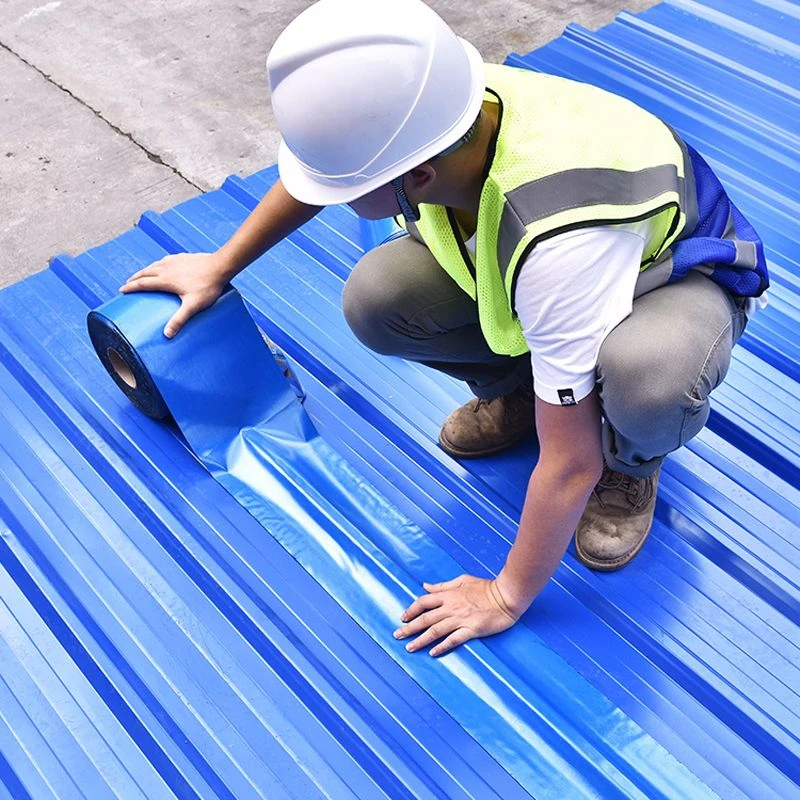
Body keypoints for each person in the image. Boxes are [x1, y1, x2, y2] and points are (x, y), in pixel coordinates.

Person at [120, 0, 768, 657]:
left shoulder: (556, 238)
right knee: (379, 298)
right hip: (563, 264)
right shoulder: (432, 107)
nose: (333, 197)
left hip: (671, 274)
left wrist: (505, 594)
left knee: (648, 381)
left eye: (348, 187)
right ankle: (520, 387)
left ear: (418, 177)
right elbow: (339, 171)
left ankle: (632, 460)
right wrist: (220, 264)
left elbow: (568, 463)